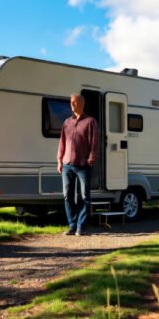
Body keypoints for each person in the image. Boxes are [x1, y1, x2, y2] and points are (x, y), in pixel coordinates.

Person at [57, 93, 99, 236]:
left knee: (84, 196)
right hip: (67, 164)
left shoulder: (90, 121)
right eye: (71, 102)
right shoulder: (66, 122)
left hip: (83, 165)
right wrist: (59, 160)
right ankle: (72, 225)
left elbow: (95, 143)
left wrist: (91, 159)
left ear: (82, 104)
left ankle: (81, 226)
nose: (72, 104)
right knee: (67, 196)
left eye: (75, 102)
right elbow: (62, 142)